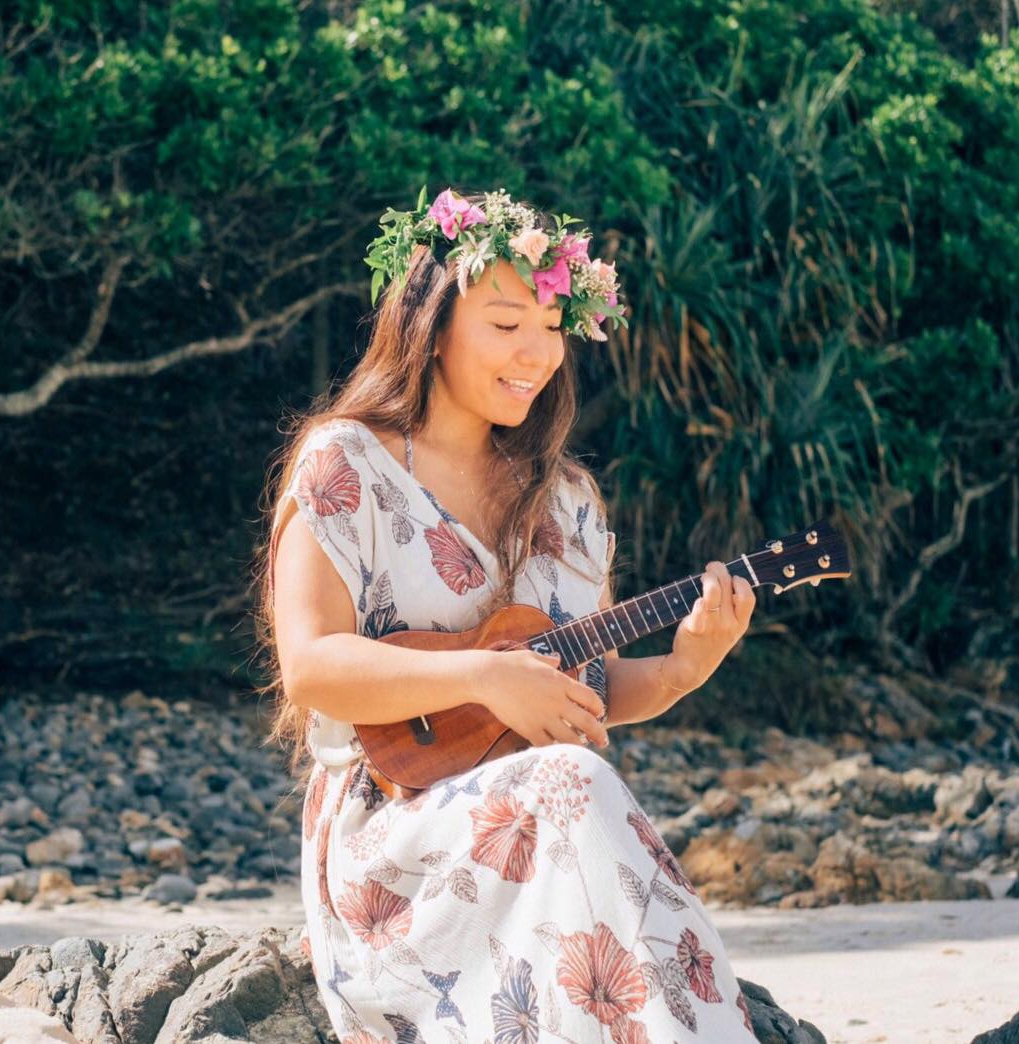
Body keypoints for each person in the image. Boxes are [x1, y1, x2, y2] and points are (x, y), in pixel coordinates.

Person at [254, 187, 761, 1042]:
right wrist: (483, 675)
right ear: (431, 324)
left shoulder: (567, 502)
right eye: (505, 324)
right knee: (572, 779)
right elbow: (310, 668)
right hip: (394, 832)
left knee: (570, 777)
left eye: (553, 327)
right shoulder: (347, 464)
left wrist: (684, 667)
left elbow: (588, 686)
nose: (538, 353)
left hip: (538, 814)